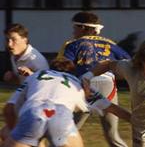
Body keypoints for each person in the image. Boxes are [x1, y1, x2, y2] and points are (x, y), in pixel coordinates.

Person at [1, 58, 131, 147]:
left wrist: (14, 131)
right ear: (72, 72)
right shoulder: (79, 82)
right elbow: (113, 108)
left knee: (5, 133)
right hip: (61, 116)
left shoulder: (36, 76)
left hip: (33, 112)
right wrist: (139, 121)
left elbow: (8, 109)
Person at [57, 11, 131, 147]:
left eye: (75, 27)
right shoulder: (111, 43)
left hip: (85, 85)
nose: (73, 31)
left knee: (66, 133)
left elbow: (62, 66)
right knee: (112, 135)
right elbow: (129, 62)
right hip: (108, 85)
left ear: (83, 28)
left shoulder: (72, 44)